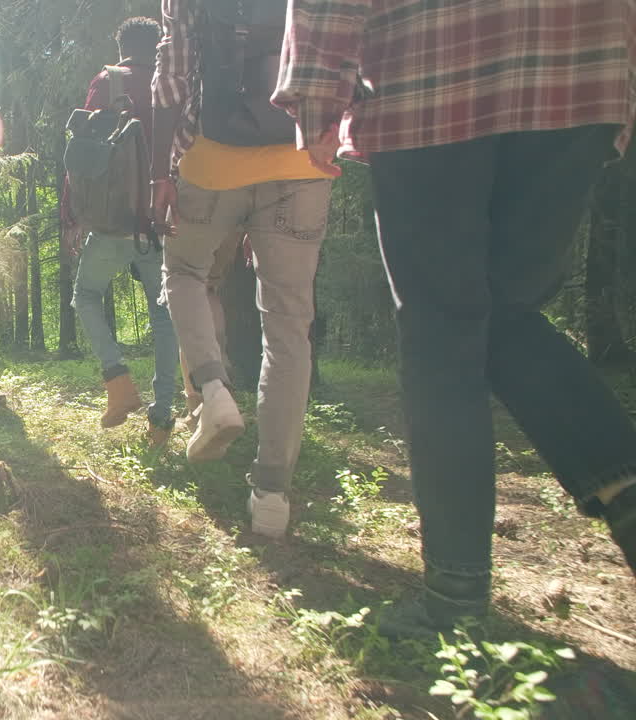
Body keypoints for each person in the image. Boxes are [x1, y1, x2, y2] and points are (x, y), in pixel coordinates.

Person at [274, 0, 636, 635]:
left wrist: (316, 96)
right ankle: (622, 485)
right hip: (576, 66)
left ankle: (454, 596)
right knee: (507, 313)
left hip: (431, 69)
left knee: (444, 328)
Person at [150, 0, 336, 538]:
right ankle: (273, 493)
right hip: (301, 164)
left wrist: (161, 172)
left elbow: (171, 80)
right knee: (288, 325)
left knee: (183, 270)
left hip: (212, 162)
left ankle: (211, 390)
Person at [64, 17, 180, 447]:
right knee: (165, 315)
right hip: (166, 218)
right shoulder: (174, 84)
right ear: (158, 48)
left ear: (121, 48)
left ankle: (118, 382)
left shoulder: (109, 83)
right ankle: (162, 421)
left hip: (115, 219)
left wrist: (71, 216)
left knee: (87, 296)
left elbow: (82, 156)